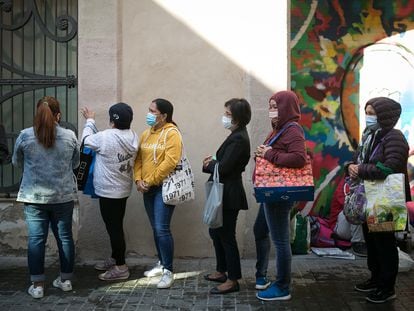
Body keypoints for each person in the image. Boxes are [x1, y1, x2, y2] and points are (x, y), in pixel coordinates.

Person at [12, 96, 80, 299]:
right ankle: (66, 280)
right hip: (63, 196)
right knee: (65, 238)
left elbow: (16, 162)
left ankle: (38, 285)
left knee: (36, 240)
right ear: (58, 115)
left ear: (37, 113)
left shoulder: (25, 135)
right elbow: (75, 163)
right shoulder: (69, 136)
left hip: (34, 197)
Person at [346, 97, 410, 304]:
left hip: (385, 200)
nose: (368, 116)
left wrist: (361, 169)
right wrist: (352, 166)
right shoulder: (369, 136)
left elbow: (389, 167)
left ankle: (387, 286)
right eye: (367, 111)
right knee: (371, 242)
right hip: (370, 197)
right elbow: (359, 159)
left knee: (384, 244)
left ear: (384, 115)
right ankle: (375, 278)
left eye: (372, 112)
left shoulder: (395, 138)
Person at [254, 90, 307, 301]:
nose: (272, 111)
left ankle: (283, 286)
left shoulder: (292, 130)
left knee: (281, 241)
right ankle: (263, 276)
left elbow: (298, 158)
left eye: (276, 107)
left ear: (286, 108)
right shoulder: (280, 129)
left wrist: (269, 154)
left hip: (279, 194)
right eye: (270, 107)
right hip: (270, 192)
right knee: (260, 229)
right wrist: (263, 152)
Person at [81, 103, 138, 281]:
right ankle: (115, 257)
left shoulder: (105, 137)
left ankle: (121, 267)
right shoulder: (133, 136)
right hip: (123, 190)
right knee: (116, 225)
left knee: (114, 229)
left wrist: (90, 120)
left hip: (108, 192)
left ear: (112, 120)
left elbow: (85, 140)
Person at [202, 98, 251, 295]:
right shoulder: (235, 135)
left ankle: (233, 279)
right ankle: (221, 270)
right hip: (225, 190)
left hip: (229, 194)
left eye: (228, 115)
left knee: (226, 235)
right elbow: (222, 160)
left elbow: (225, 167)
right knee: (216, 232)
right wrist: (213, 160)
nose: (225, 117)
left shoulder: (239, 138)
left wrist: (209, 164)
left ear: (238, 118)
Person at [134, 98, 182, 289]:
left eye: (153, 111)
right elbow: (137, 159)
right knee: (155, 228)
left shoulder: (172, 134)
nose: (149, 114)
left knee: (162, 228)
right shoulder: (146, 134)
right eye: (149, 110)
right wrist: (138, 180)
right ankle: (161, 263)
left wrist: (150, 180)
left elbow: (170, 162)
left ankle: (168, 271)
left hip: (163, 187)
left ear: (164, 115)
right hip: (146, 187)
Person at [328, 176, 367, 256]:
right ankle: (358, 243)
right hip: (340, 227)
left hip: (361, 228)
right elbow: (348, 205)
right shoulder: (348, 182)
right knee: (356, 207)